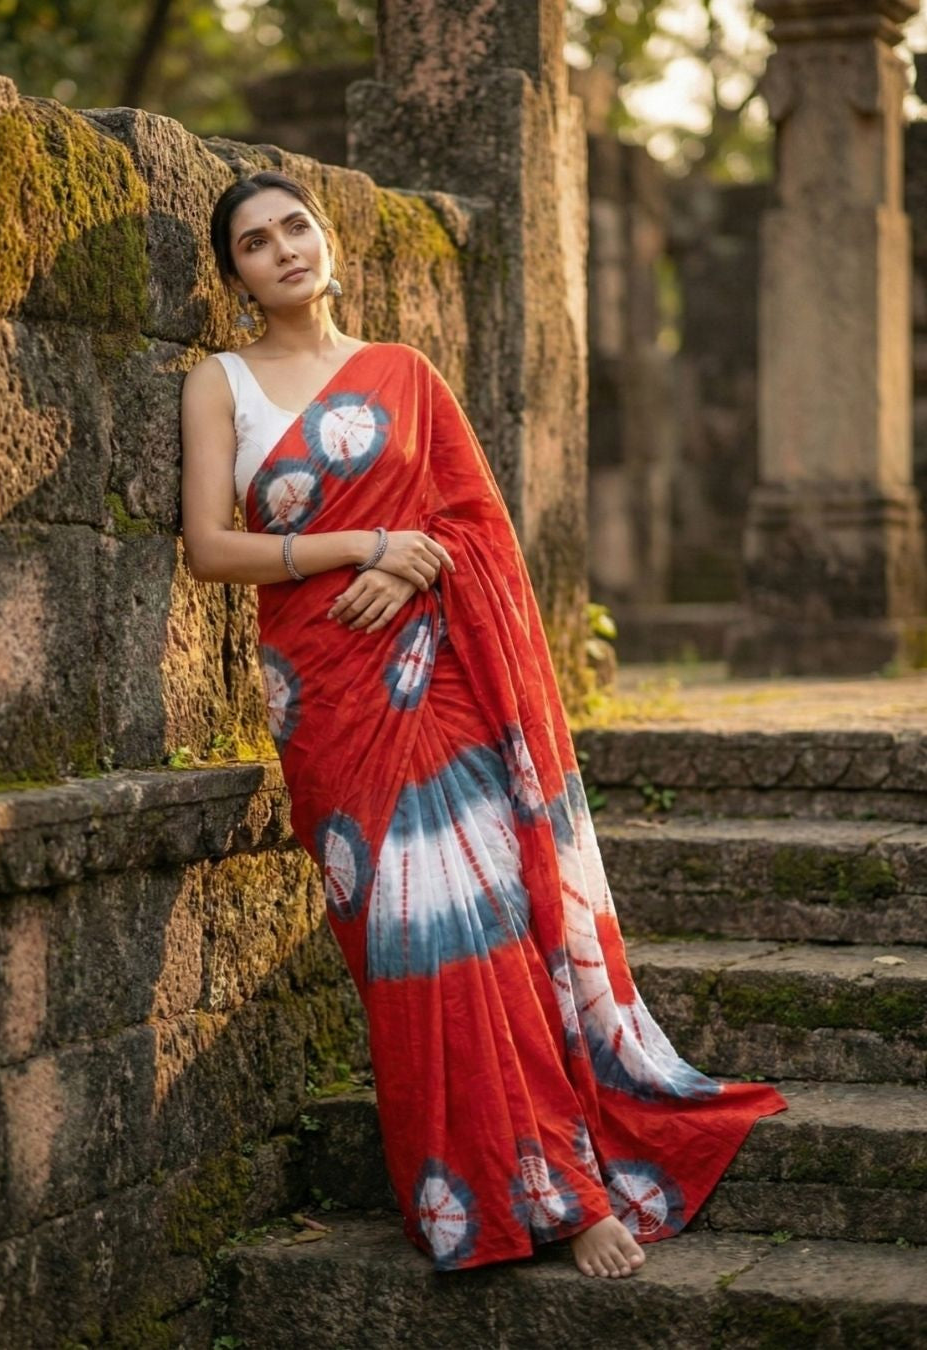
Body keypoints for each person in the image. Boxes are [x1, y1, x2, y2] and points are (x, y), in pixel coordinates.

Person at [180, 170, 787, 1279]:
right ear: (235, 277)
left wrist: (421, 562)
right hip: (329, 693)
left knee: (491, 921)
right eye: (256, 243)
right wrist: (363, 547)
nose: (284, 250)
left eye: (296, 227)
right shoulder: (221, 384)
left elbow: (472, 530)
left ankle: (563, 1188)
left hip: (440, 672)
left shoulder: (405, 376)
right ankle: (469, 1190)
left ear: (330, 242)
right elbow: (211, 549)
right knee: (408, 942)